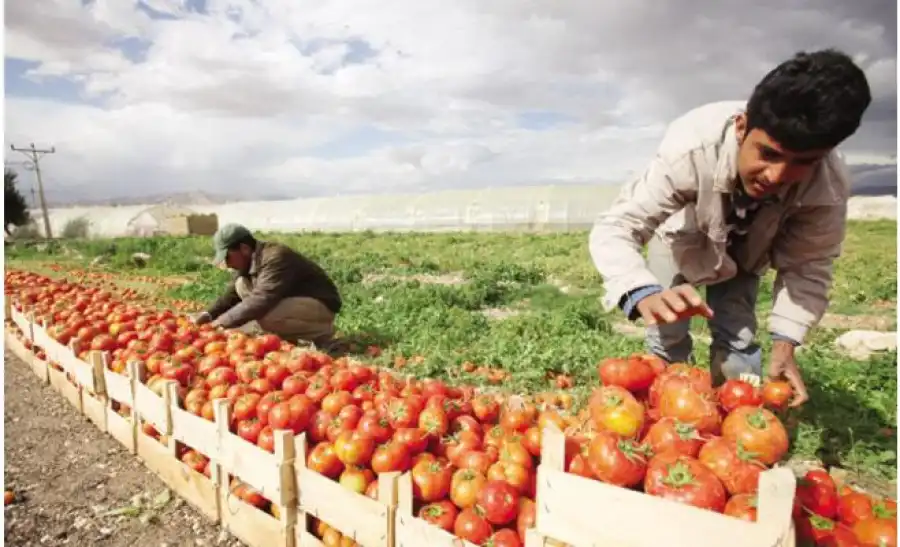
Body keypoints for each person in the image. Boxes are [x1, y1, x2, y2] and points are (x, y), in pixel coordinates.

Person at [589, 49, 871, 407]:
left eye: (804, 162)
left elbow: (809, 265)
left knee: (738, 338)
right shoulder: (691, 146)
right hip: (682, 239)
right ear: (741, 127)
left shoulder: (827, 183)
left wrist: (787, 343)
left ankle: (731, 422)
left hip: (747, 251)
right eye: (768, 153)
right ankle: (662, 418)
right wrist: (641, 292)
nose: (776, 176)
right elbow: (618, 225)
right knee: (666, 335)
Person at [193, 223, 343, 348]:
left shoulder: (275, 257)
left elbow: (261, 300)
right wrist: (208, 315)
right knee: (241, 285)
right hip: (292, 301)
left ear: (244, 248)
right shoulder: (249, 262)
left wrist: (221, 323)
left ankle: (321, 332)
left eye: (228, 257)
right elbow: (231, 295)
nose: (227, 263)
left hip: (320, 305)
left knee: (265, 316)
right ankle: (290, 332)